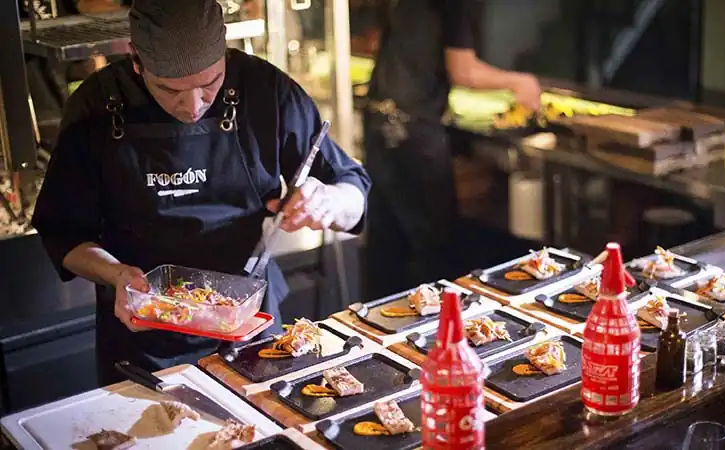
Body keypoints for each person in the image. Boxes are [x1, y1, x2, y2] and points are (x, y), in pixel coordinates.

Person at [32, 0, 370, 385]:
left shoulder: (266, 90)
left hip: (251, 328)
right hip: (143, 339)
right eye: (169, 89)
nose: (193, 106)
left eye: (210, 83)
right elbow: (64, 234)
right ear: (136, 60)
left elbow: (353, 191)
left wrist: (330, 201)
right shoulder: (96, 104)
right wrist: (116, 274)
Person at [363, 0, 542, 299]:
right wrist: (520, 82)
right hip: (412, 132)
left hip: (378, 124)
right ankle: (438, 323)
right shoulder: (455, 5)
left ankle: (381, 322)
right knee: (435, 251)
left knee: (386, 250)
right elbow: (464, 71)